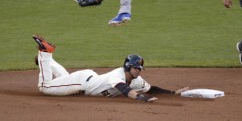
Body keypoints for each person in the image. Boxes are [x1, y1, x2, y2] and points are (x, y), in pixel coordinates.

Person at [32, 35, 188, 102]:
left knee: (62, 80)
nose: (138, 71)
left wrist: (172, 93)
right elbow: (126, 91)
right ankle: (45, 53)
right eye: (135, 68)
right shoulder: (117, 76)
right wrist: (142, 98)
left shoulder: (136, 80)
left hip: (86, 78)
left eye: (139, 68)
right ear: (128, 66)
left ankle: (46, 60)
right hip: (82, 83)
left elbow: (150, 88)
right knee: (45, 87)